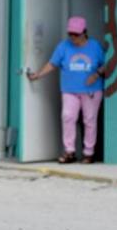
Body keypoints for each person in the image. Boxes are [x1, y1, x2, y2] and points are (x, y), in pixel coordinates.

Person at [28, 16, 105, 164]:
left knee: (89, 120)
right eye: (70, 34)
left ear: (85, 32)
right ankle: (69, 151)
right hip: (69, 90)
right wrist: (38, 74)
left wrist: (96, 75)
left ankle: (89, 152)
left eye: (76, 34)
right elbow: (52, 64)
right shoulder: (63, 46)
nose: (73, 37)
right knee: (68, 117)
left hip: (91, 90)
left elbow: (107, 63)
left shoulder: (95, 46)